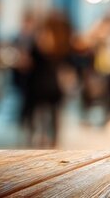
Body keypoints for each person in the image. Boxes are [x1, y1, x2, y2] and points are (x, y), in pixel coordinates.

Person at [26, 14, 69, 147]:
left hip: (44, 81)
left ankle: (45, 138)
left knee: (45, 113)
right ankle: (48, 139)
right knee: (50, 114)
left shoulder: (45, 37)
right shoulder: (60, 40)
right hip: (47, 81)